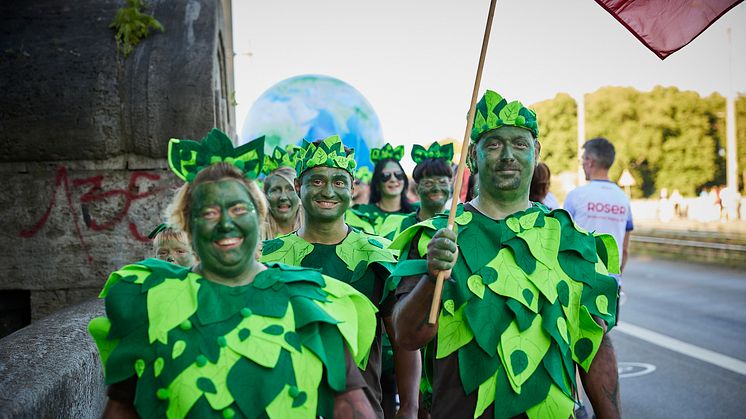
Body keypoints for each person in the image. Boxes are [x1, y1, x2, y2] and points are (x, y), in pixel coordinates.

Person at [89, 129, 377, 419]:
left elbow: (350, 405)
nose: (226, 223)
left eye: (239, 209)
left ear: (259, 214)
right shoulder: (151, 304)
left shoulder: (310, 302)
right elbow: (122, 408)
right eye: (209, 212)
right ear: (187, 223)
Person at [389, 90, 621, 419]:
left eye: (520, 144)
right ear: (473, 155)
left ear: (536, 152)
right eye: (494, 144)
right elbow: (408, 336)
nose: (508, 155)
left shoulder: (571, 239)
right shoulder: (437, 236)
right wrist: (431, 277)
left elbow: (594, 346)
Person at [260, 135, 421, 419]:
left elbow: (402, 338)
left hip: (362, 408)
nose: (328, 191)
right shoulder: (269, 258)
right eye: (317, 181)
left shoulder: (378, 254)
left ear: (352, 188)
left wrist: (409, 406)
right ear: (299, 186)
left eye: (338, 182)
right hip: (286, 406)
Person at [564, 137, 634, 276]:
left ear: (590, 162)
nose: (582, 164)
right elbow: (625, 250)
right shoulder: (623, 199)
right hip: (610, 285)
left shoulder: (575, 196)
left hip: (580, 280)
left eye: (583, 160)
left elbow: (564, 241)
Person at [346, 143, 415, 240]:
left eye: (398, 175)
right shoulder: (360, 213)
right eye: (386, 176)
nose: (393, 179)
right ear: (377, 183)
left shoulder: (416, 213)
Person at [261, 145, 303, 240]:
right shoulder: (255, 235)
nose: (283, 197)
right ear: (265, 195)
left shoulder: (315, 229)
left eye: (290, 189)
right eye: (275, 190)